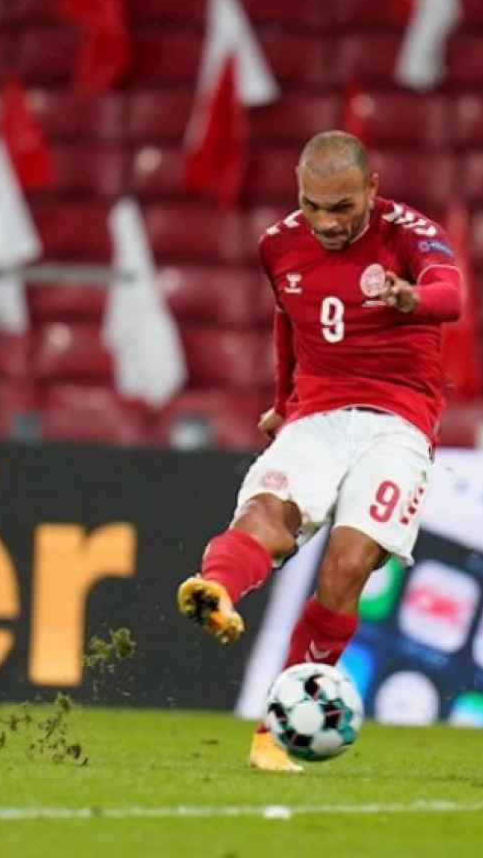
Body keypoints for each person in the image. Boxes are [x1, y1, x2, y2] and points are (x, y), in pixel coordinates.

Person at [176, 130, 461, 771]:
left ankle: (275, 732)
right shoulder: (277, 244)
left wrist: (413, 297)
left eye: (343, 207)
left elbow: (453, 292)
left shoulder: (409, 234)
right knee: (267, 512)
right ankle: (215, 590)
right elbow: (288, 321)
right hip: (318, 414)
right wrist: (283, 402)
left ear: (372, 190)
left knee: (347, 565)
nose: (328, 223)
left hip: (398, 422)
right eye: (314, 206)